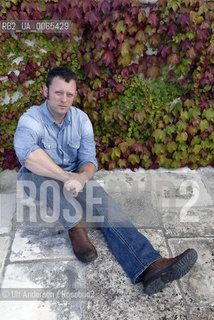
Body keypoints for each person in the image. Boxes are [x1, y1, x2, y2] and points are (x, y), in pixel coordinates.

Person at [14, 67, 198, 295]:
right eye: (58, 93)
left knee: (106, 205)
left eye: (69, 94)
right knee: (53, 187)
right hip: (37, 176)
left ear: (75, 95)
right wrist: (66, 177)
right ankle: (77, 230)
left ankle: (150, 266)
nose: (64, 99)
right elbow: (29, 157)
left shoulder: (81, 120)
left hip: (74, 174)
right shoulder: (31, 118)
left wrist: (81, 178)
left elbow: (89, 162)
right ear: (45, 91)